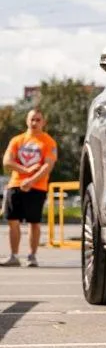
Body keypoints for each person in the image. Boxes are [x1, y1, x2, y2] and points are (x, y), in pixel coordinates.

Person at [2, 110, 58, 268]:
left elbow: (48, 165)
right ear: (26, 121)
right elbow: (7, 161)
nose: (34, 122)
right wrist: (25, 171)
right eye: (32, 119)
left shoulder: (48, 142)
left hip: (37, 187)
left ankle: (32, 256)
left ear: (43, 122)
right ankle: (14, 256)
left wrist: (31, 180)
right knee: (12, 220)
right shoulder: (17, 140)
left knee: (34, 222)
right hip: (16, 184)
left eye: (38, 119)